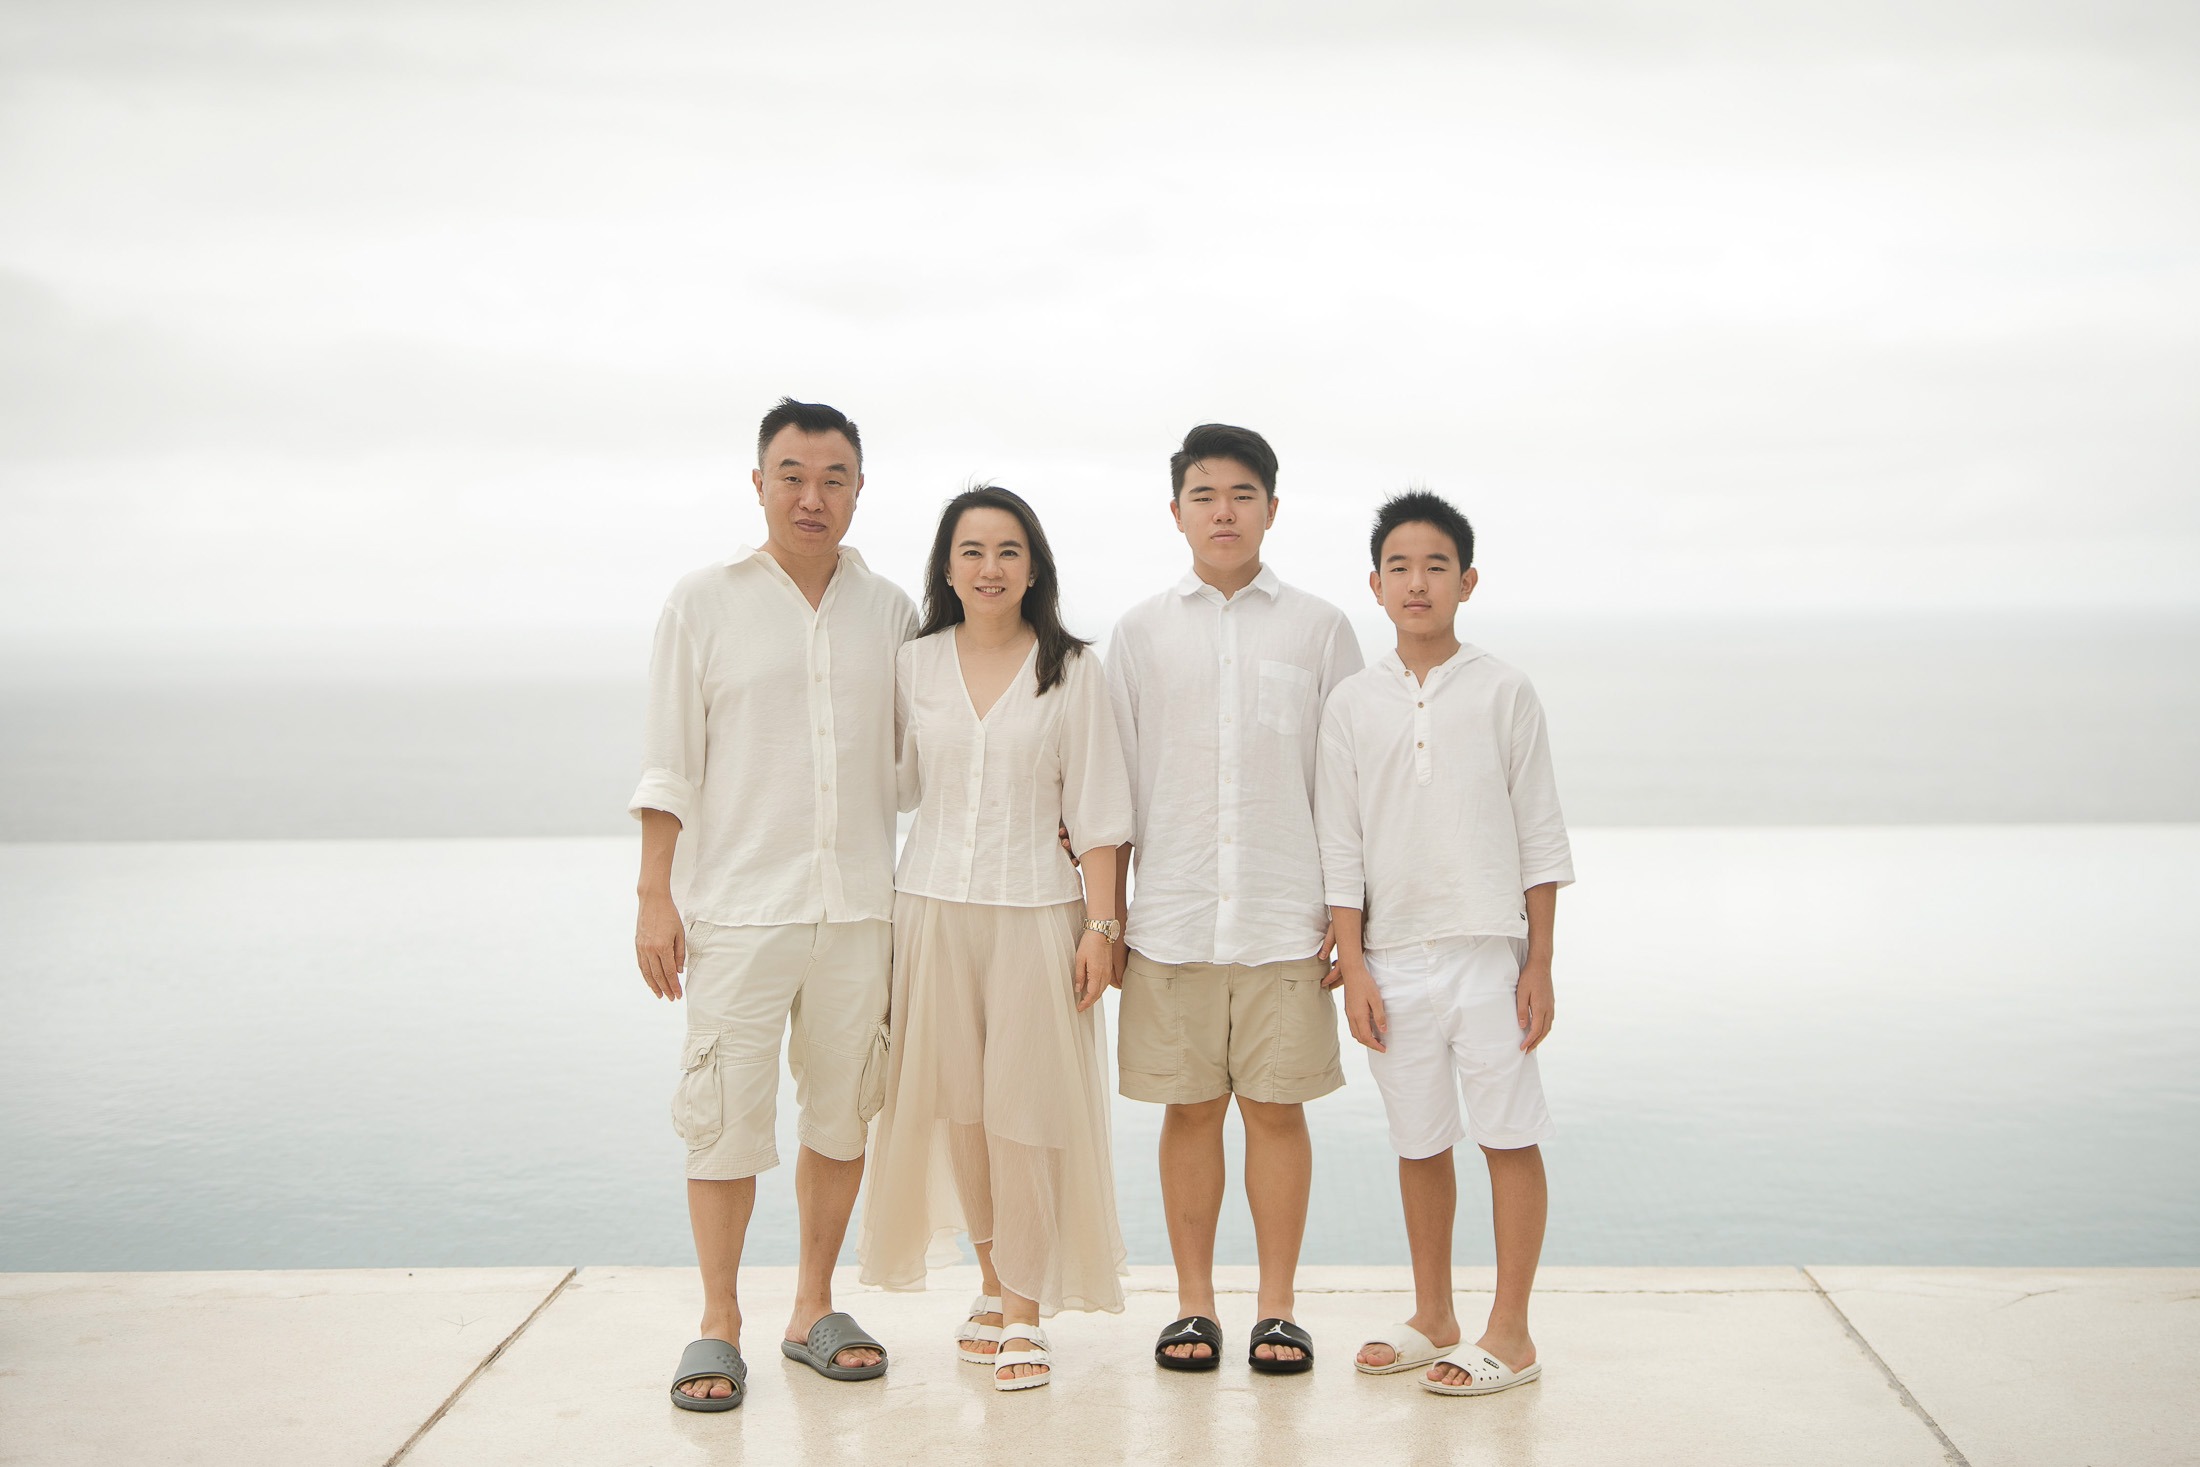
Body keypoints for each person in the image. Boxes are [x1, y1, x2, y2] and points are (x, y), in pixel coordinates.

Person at [630, 398, 917, 1411]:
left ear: (858, 490)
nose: (812, 495)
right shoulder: (701, 602)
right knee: (724, 1124)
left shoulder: (890, 612)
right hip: (738, 910)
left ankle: (812, 1306)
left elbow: (924, 764)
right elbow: (668, 762)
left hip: (858, 913)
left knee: (841, 1119)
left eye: (834, 477)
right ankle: (717, 1323)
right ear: (757, 482)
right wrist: (652, 898)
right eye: (792, 474)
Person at [859, 484, 1134, 1393]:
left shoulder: (1073, 670)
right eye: (972, 550)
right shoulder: (913, 665)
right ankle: (991, 1278)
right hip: (931, 904)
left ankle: (1025, 1312)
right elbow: (893, 788)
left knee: (1027, 1110)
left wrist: (1103, 923)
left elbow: (1098, 811)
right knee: (959, 1107)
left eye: (1008, 550)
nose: (990, 567)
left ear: (1034, 565)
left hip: (1036, 913)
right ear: (947, 565)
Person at [1103, 423, 1362, 1373]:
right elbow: (1111, 791)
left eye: (1242, 493)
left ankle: (1279, 1310)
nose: (1223, 510)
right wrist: (1107, 921)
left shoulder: (1323, 627)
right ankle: (1193, 1307)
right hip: (1168, 920)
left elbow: (1348, 785)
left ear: (1273, 508)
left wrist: (1349, 924)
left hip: (1283, 917)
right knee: (1188, 1114)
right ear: (1175, 510)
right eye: (1204, 494)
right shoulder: (1136, 633)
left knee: (1279, 1112)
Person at [1316, 490, 1574, 1397]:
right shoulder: (1352, 703)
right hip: (1392, 957)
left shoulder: (1504, 689)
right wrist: (1352, 965)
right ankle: (1435, 1314)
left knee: (1508, 1134)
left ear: (1466, 581)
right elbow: (1339, 844)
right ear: (1375, 585)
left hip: (1487, 953)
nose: (1415, 582)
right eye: (1398, 566)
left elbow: (1540, 833)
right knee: (1418, 1140)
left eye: (1434, 566)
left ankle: (1512, 1330)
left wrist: (1539, 960)